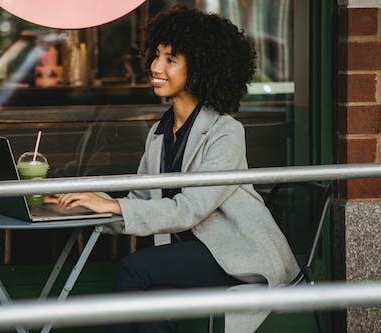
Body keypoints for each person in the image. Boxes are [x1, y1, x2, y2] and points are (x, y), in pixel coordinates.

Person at [55, 5, 299, 333]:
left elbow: (190, 211)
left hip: (236, 255)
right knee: (149, 301)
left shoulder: (225, 132)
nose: (155, 67)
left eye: (170, 59)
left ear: (199, 68)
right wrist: (82, 205)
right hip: (190, 253)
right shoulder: (160, 132)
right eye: (156, 56)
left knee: (134, 269)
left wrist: (111, 206)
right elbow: (140, 202)